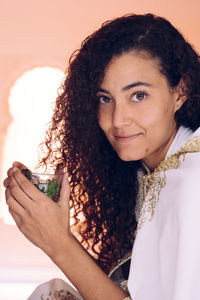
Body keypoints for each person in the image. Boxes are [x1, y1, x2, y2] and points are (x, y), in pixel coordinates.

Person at [4, 13, 200, 300]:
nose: (118, 119)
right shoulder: (153, 171)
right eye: (105, 99)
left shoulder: (192, 183)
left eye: (139, 95)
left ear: (180, 91)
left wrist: (58, 242)